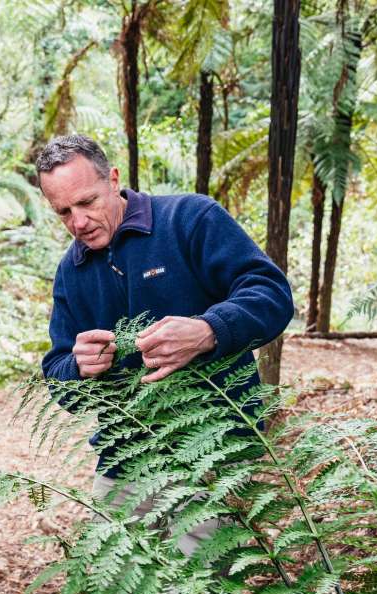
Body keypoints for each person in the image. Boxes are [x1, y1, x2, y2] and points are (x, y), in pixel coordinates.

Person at [37, 134, 294, 553]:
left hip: (215, 446)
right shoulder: (73, 270)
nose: (78, 222)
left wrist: (209, 330)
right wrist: (78, 367)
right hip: (125, 458)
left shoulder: (189, 219)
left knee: (194, 592)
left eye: (87, 203)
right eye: (63, 212)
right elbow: (59, 375)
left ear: (114, 179)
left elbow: (271, 294)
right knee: (116, 582)